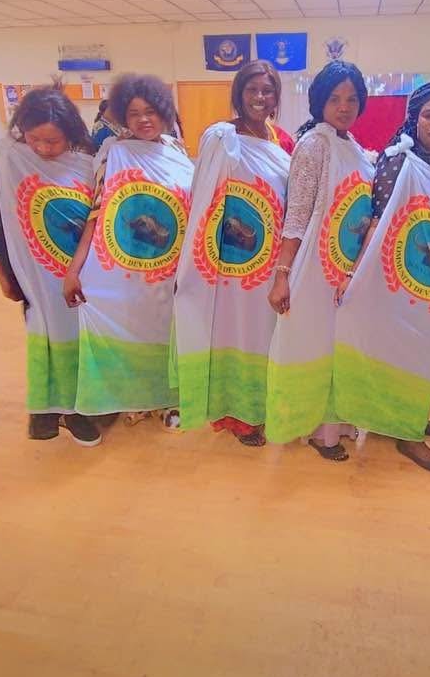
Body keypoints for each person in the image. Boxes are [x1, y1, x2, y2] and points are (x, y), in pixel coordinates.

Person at [333, 82, 430, 475]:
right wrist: (353, 274)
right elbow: (378, 219)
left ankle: (410, 413)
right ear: (414, 117)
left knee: (428, 350)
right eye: (428, 115)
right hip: (397, 278)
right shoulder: (398, 161)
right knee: (402, 348)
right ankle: (405, 433)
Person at [0, 86, 100, 445]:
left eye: (53, 141)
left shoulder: (86, 158)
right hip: (33, 274)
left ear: (70, 134)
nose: (43, 149)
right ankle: (52, 411)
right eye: (35, 139)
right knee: (47, 337)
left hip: (83, 273)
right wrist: (0, 275)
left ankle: (77, 406)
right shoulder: (8, 161)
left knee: (78, 339)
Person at [173, 60, 291, 445]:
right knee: (230, 335)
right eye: (253, 89)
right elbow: (203, 196)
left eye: (268, 90)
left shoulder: (282, 142)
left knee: (263, 338)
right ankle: (234, 415)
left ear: (276, 97)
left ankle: (261, 407)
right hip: (225, 264)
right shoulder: (221, 137)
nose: (260, 97)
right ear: (239, 94)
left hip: (268, 263)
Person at [63, 74, 193, 419]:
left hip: (171, 270)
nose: (143, 120)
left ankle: (170, 399)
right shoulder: (114, 154)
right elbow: (96, 215)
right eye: (134, 113)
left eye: (150, 111)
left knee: (168, 332)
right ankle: (134, 399)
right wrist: (75, 270)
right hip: (125, 271)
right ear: (122, 116)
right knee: (133, 332)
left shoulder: (179, 154)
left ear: (164, 112)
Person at [266, 60, 374, 461]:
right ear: (319, 102)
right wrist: (283, 275)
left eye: (351, 99)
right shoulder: (315, 144)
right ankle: (315, 429)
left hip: (344, 267)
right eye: (334, 98)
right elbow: (296, 213)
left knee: (338, 344)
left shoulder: (355, 148)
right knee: (314, 343)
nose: (343, 106)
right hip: (314, 265)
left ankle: (338, 423)